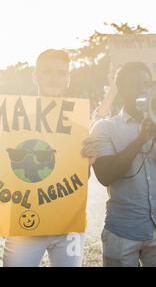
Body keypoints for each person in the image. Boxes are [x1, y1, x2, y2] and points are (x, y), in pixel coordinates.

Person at [89, 62, 156, 267]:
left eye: (147, 84)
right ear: (121, 89)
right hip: (123, 231)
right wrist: (140, 140)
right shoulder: (105, 128)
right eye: (135, 84)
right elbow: (105, 175)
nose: (143, 90)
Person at [3, 49, 88, 267]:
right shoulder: (13, 121)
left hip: (68, 225)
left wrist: (89, 158)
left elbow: (82, 178)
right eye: (48, 72)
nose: (55, 78)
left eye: (61, 73)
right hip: (25, 224)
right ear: (35, 75)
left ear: (68, 79)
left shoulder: (79, 124)